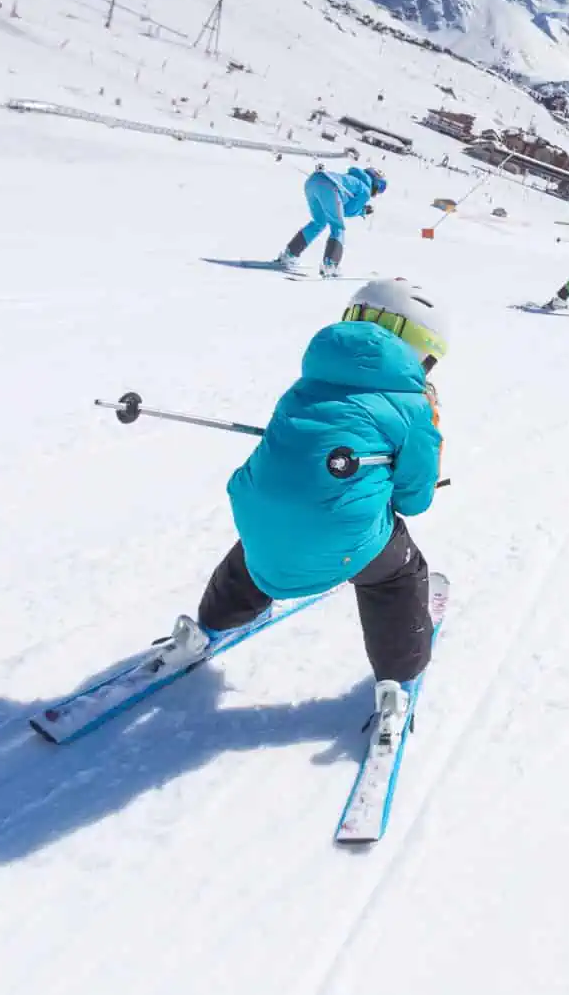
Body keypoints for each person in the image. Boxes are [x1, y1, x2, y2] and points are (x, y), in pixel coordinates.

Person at [176, 278, 447, 739]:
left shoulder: (309, 380)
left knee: (263, 548)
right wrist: (427, 427)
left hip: (259, 517)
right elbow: (414, 499)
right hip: (342, 537)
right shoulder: (412, 406)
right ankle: (397, 685)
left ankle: (205, 629)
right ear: (416, 347)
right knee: (396, 573)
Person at [276, 163, 388, 275]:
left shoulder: (353, 179)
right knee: (337, 226)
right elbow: (349, 210)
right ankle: (330, 265)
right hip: (329, 186)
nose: (378, 193)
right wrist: (363, 211)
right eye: (381, 187)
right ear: (375, 183)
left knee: (319, 222)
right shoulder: (365, 189)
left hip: (313, 181)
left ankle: (289, 255)